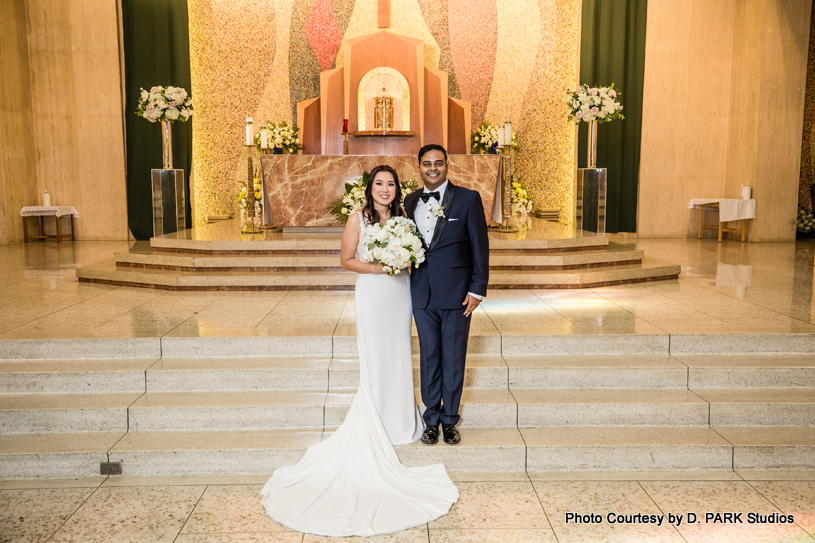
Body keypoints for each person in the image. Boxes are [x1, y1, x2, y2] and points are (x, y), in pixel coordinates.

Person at [260, 164, 459, 537]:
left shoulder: (404, 215)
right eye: (379, 184)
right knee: (376, 354)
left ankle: (401, 420)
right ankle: (377, 419)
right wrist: (380, 267)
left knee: (399, 352)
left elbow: (416, 253)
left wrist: (402, 260)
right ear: (370, 189)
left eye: (390, 184)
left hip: (400, 295)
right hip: (373, 293)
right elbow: (346, 260)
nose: (385, 189)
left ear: (398, 189)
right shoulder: (358, 218)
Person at [404, 144, 490, 445]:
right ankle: (431, 419)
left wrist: (477, 289)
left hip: (456, 293)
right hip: (421, 293)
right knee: (429, 357)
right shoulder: (410, 199)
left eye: (438, 163)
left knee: (453, 357)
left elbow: (480, 246)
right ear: (419, 167)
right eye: (426, 164)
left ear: (447, 166)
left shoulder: (468, 199)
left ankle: (450, 420)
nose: (432, 168)